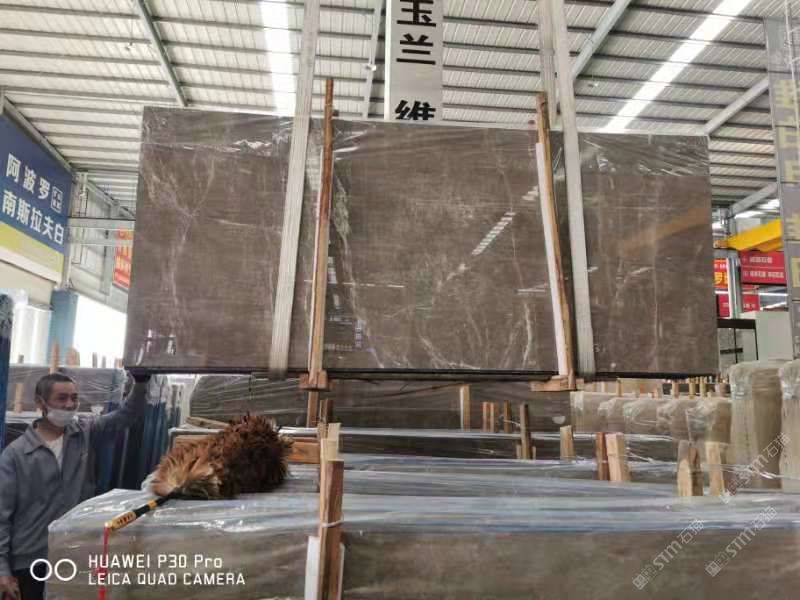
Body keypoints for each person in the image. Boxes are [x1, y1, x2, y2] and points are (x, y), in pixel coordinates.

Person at [0, 371, 149, 600]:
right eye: (62, 398)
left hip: (76, 552)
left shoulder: (85, 434)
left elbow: (126, 415)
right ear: (40, 402)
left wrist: (140, 383)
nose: (70, 404)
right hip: (31, 560)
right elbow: (2, 517)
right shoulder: (15, 455)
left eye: (74, 398)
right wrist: (3, 571)